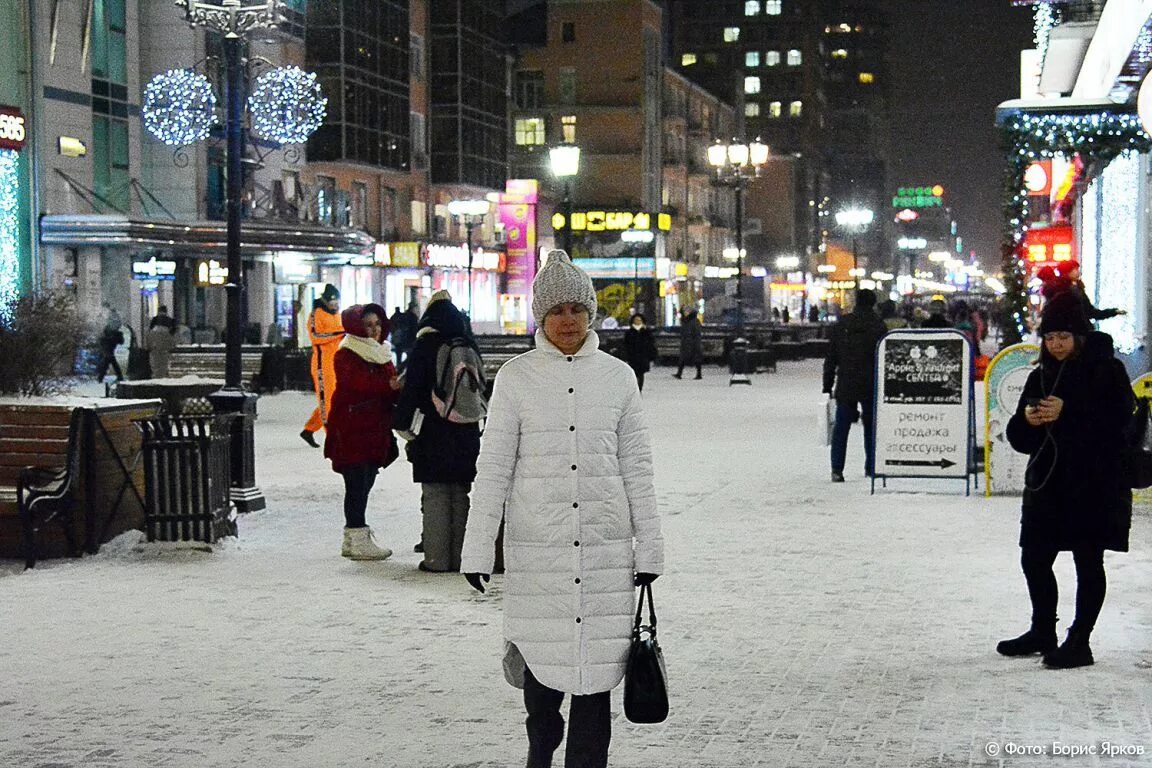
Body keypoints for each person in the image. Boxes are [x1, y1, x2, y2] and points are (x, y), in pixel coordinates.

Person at [460, 250, 664, 768]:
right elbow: (494, 469)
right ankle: (540, 752)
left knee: (596, 683)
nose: (567, 320)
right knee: (543, 679)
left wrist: (650, 549)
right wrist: (477, 548)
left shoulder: (618, 378)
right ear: (540, 317)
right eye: (556, 311)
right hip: (540, 555)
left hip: (604, 554)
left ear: (591, 313)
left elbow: (637, 467)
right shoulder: (515, 377)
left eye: (576, 308)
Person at [1000, 293, 1133, 668]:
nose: (1056, 344)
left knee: (1087, 561)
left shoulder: (1107, 371)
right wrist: (1028, 420)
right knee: (1034, 558)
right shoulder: (1039, 375)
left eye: (1064, 336)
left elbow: (1119, 424)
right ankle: (1043, 629)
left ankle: (1080, 641)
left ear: (1080, 336)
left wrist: (1069, 411)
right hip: (1048, 486)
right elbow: (1019, 438)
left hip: (1094, 485)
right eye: (1050, 337)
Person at [393, 290, 482, 573]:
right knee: (461, 494)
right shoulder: (468, 344)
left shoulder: (426, 344)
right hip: (466, 431)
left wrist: (401, 421)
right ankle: (461, 557)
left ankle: (437, 559)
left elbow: (412, 390)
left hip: (434, 430)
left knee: (435, 495)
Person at [323, 303, 403, 560]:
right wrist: (388, 384)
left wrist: (395, 386)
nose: (374, 330)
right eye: (368, 325)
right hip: (353, 429)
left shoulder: (381, 352)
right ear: (357, 327)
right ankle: (357, 536)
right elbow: (358, 383)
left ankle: (353, 537)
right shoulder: (347, 352)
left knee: (366, 480)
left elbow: (385, 386)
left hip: (373, 429)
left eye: (377, 324)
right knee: (357, 482)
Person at [822, 289, 887, 482]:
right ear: (873, 303)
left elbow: (831, 356)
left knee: (841, 427)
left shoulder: (843, 324)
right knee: (870, 426)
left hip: (847, 381)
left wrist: (827, 384)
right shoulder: (878, 325)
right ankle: (871, 466)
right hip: (870, 382)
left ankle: (837, 468)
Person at [301, 284, 344, 448]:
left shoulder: (337, 316)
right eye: (332, 301)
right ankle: (332, 436)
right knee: (328, 401)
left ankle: (310, 429)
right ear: (325, 301)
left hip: (336, 363)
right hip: (322, 364)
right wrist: (340, 333)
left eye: (337, 301)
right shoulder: (316, 315)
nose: (335, 304)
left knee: (332, 400)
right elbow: (316, 336)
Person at [623, 312, 658, 392]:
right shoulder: (629, 332)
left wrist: (651, 355)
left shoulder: (646, 332)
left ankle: (639, 389)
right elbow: (626, 345)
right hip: (633, 356)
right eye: (636, 320)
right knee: (634, 373)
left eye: (639, 320)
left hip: (643, 356)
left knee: (641, 373)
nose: (638, 321)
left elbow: (651, 344)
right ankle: (635, 389)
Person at [95, 304, 125, 382]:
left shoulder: (109, 318)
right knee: (109, 358)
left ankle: (101, 377)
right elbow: (117, 326)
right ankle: (119, 376)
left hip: (108, 339)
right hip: (112, 339)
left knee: (108, 358)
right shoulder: (116, 317)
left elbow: (106, 328)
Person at [674, 307, 703, 380]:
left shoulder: (692, 321)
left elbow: (696, 333)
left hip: (692, 343)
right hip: (688, 342)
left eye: (686, 312)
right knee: (684, 358)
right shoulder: (688, 321)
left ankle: (698, 374)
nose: (685, 313)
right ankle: (679, 373)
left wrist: (692, 340)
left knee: (693, 359)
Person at [390, 302, 419, 368]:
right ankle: (401, 369)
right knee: (410, 358)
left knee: (399, 358)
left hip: (399, 341)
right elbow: (414, 329)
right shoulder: (412, 317)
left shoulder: (402, 316)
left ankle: (399, 368)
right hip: (409, 341)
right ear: (414, 308)